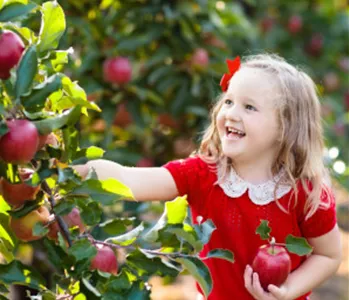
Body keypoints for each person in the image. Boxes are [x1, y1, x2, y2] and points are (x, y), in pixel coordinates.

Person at [73, 54, 342, 300]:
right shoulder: (203, 174)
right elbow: (131, 180)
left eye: (249, 107)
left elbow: (329, 255)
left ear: (285, 127)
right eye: (228, 101)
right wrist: (78, 173)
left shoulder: (303, 191)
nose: (231, 113)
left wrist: (287, 290)